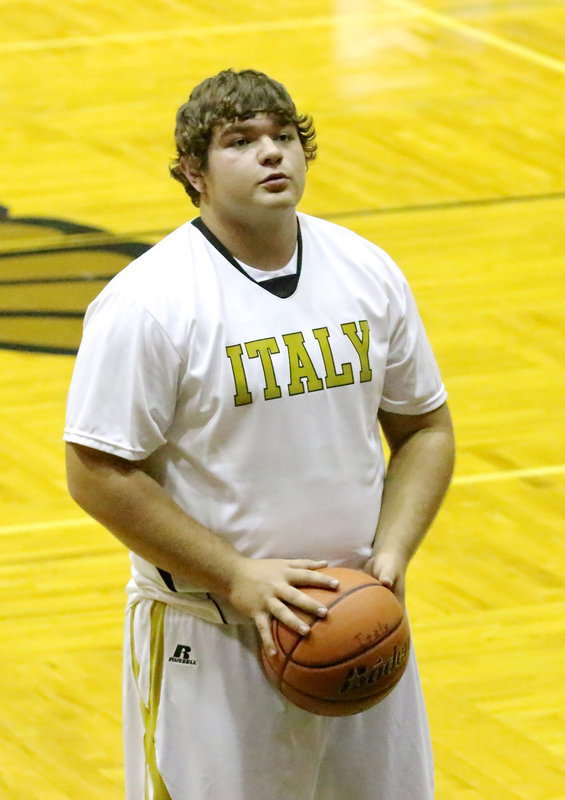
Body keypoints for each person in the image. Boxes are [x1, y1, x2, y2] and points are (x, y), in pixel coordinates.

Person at [64, 68, 455, 800]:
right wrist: (238, 577)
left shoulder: (365, 270)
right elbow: (95, 472)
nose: (271, 153)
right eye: (240, 142)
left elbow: (425, 426)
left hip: (358, 622)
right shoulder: (148, 304)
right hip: (214, 633)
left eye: (283, 136)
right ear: (194, 174)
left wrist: (393, 555)